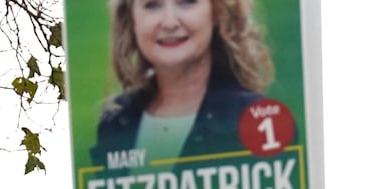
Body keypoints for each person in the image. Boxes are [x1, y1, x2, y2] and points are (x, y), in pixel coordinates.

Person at [91, 0, 274, 169]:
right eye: (152, 5)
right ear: (131, 21)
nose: (169, 23)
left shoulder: (257, 122)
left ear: (217, 12)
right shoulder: (115, 123)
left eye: (186, 1)